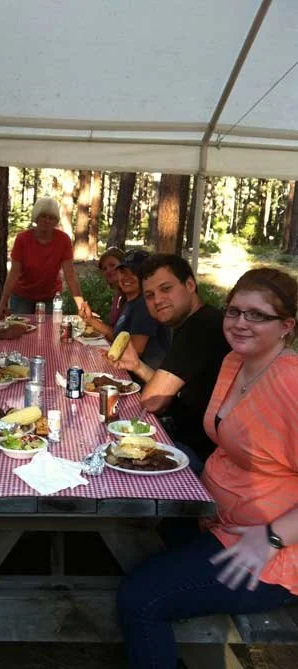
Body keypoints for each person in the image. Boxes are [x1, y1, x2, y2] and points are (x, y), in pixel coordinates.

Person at [117, 267, 298, 669]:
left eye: (257, 315)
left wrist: (270, 538)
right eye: (234, 311)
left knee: (139, 596)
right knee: (131, 524)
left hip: (268, 555)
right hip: (211, 515)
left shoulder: (290, 382)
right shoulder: (235, 362)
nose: (240, 323)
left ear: (287, 326)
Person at [110, 254, 230, 463]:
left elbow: (152, 401)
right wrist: (137, 366)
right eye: (149, 295)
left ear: (190, 284)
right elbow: (168, 394)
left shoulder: (200, 328)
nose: (157, 300)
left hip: (200, 453)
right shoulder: (196, 321)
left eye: (166, 289)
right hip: (191, 438)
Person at [0, 197, 84, 318]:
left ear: (56, 221)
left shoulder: (63, 240)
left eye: (51, 218)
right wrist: (2, 304)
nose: (47, 221)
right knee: (20, 330)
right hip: (22, 295)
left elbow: (70, 276)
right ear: (36, 217)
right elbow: (13, 274)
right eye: (43, 216)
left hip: (50, 296)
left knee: (51, 330)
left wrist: (81, 306)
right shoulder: (22, 239)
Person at [82, 250, 170, 370]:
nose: (126, 277)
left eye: (134, 273)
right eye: (123, 272)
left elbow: (135, 351)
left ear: (146, 278)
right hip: (128, 370)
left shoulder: (144, 305)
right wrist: (90, 319)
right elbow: (116, 336)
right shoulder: (130, 302)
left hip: (144, 379)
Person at [97, 246, 125, 326]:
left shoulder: (129, 294)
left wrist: (93, 321)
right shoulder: (118, 294)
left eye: (112, 265)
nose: (108, 270)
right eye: (104, 268)